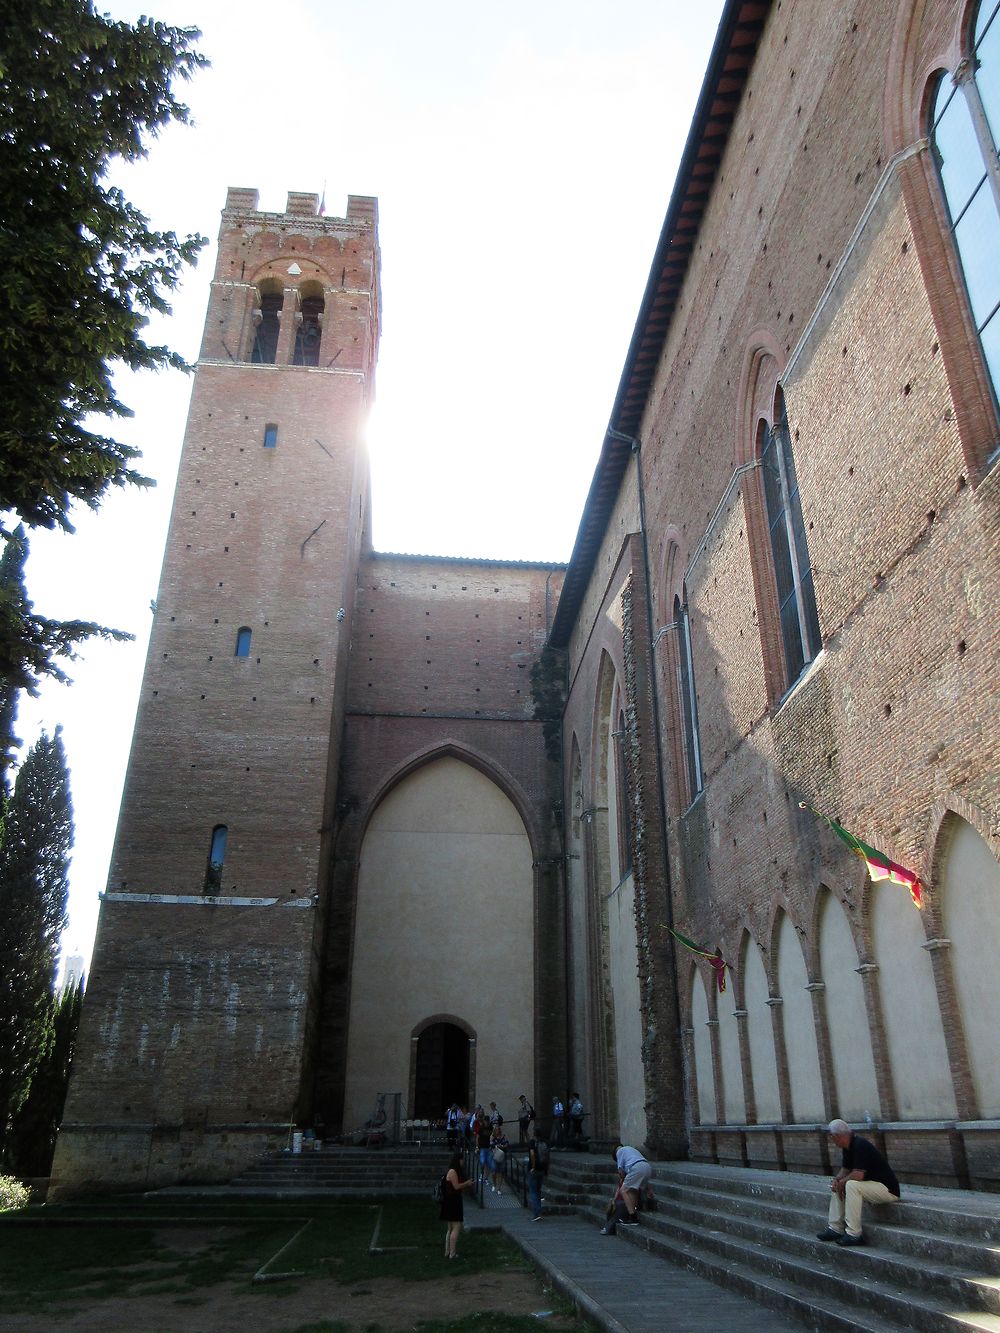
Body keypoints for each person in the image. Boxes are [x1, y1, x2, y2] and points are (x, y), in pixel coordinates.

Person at [817, 1118, 900, 1247]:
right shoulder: (848, 1147)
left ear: (836, 1136)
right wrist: (836, 1180)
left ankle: (854, 1234)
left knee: (850, 1185)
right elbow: (845, 1169)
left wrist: (842, 1182)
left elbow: (858, 1175)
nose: (831, 1139)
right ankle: (835, 1229)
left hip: (887, 1190)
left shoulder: (860, 1145)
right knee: (838, 1185)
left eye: (831, 1136)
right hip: (871, 1186)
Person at [440, 1150, 475, 1259]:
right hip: (453, 1202)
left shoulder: (451, 1171)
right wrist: (467, 1183)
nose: (463, 1162)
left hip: (451, 1201)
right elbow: (456, 1186)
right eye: (462, 1159)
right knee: (456, 1227)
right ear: (458, 1160)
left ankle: (448, 1251)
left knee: (450, 1228)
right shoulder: (453, 1172)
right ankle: (452, 1253)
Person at [612, 1143, 652, 1224]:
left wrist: (622, 1179)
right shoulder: (631, 1149)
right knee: (633, 1189)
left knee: (623, 1190)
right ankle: (634, 1211)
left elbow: (621, 1172)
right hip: (647, 1167)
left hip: (636, 1168)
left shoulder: (619, 1152)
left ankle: (633, 1217)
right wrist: (649, 1189)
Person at [526, 1133, 549, 1220]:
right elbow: (547, 1157)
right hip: (542, 1170)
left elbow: (532, 1154)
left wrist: (533, 1167)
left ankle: (536, 1213)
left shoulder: (532, 1142)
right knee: (538, 1191)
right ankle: (539, 1211)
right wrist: (546, 1170)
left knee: (533, 1192)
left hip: (534, 1170)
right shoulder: (545, 1143)